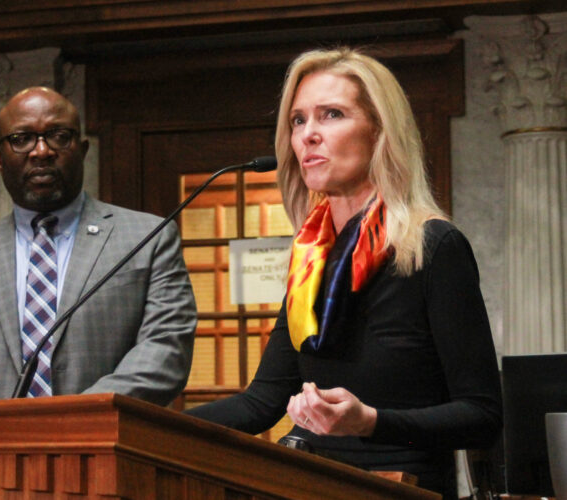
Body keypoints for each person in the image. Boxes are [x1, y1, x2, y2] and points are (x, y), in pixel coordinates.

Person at [186, 48, 502, 499]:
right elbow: (261, 403)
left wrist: (370, 421)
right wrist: (143, 423)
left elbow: (482, 415)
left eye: (331, 115)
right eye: (298, 121)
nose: (308, 135)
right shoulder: (311, 258)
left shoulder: (433, 248)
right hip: (306, 484)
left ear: (380, 132)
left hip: (400, 487)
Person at [0, 86, 197, 438]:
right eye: (22, 139)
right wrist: (5, 438)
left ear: (83, 150)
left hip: (105, 464)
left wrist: (67, 428)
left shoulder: (148, 238)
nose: (41, 151)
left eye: (58, 136)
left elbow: (165, 351)